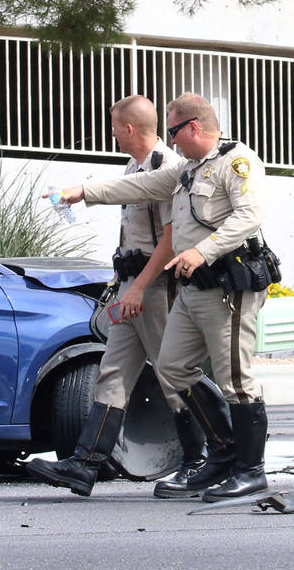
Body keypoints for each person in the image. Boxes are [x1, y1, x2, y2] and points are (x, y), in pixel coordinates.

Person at [37, 92, 274, 503]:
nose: (171, 139)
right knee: (173, 368)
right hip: (194, 286)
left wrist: (204, 249)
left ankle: (249, 470)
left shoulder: (237, 161)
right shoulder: (185, 170)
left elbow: (249, 215)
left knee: (235, 377)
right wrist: (83, 191)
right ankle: (219, 455)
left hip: (228, 286)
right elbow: (139, 184)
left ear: (194, 126)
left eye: (174, 130)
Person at [26, 95, 207, 497]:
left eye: (114, 126)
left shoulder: (168, 168)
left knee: (171, 373)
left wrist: (139, 286)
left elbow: (171, 239)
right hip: (132, 286)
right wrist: (121, 283)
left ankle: (199, 460)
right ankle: (85, 464)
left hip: (155, 289)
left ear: (128, 129)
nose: (111, 133)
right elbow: (133, 236)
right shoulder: (134, 166)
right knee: (114, 371)